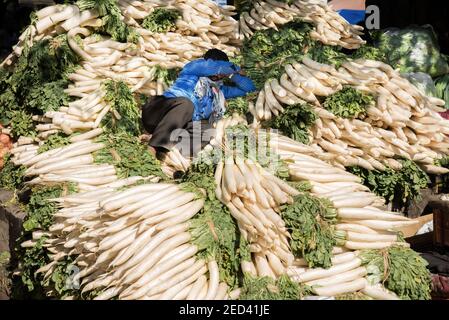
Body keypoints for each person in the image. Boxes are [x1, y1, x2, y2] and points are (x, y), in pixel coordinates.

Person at [141, 49, 256, 159]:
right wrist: (234, 68)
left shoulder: (219, 91)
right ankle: (153, 147)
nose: (219, 74)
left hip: (176, 128)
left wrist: (232, 75)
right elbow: (213, 66)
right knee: (187, 105)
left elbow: (249, 89)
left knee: (208, 130)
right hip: (156, 112)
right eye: (218, 69)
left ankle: (166, 147)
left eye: (222, 73)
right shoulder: (192, 70)